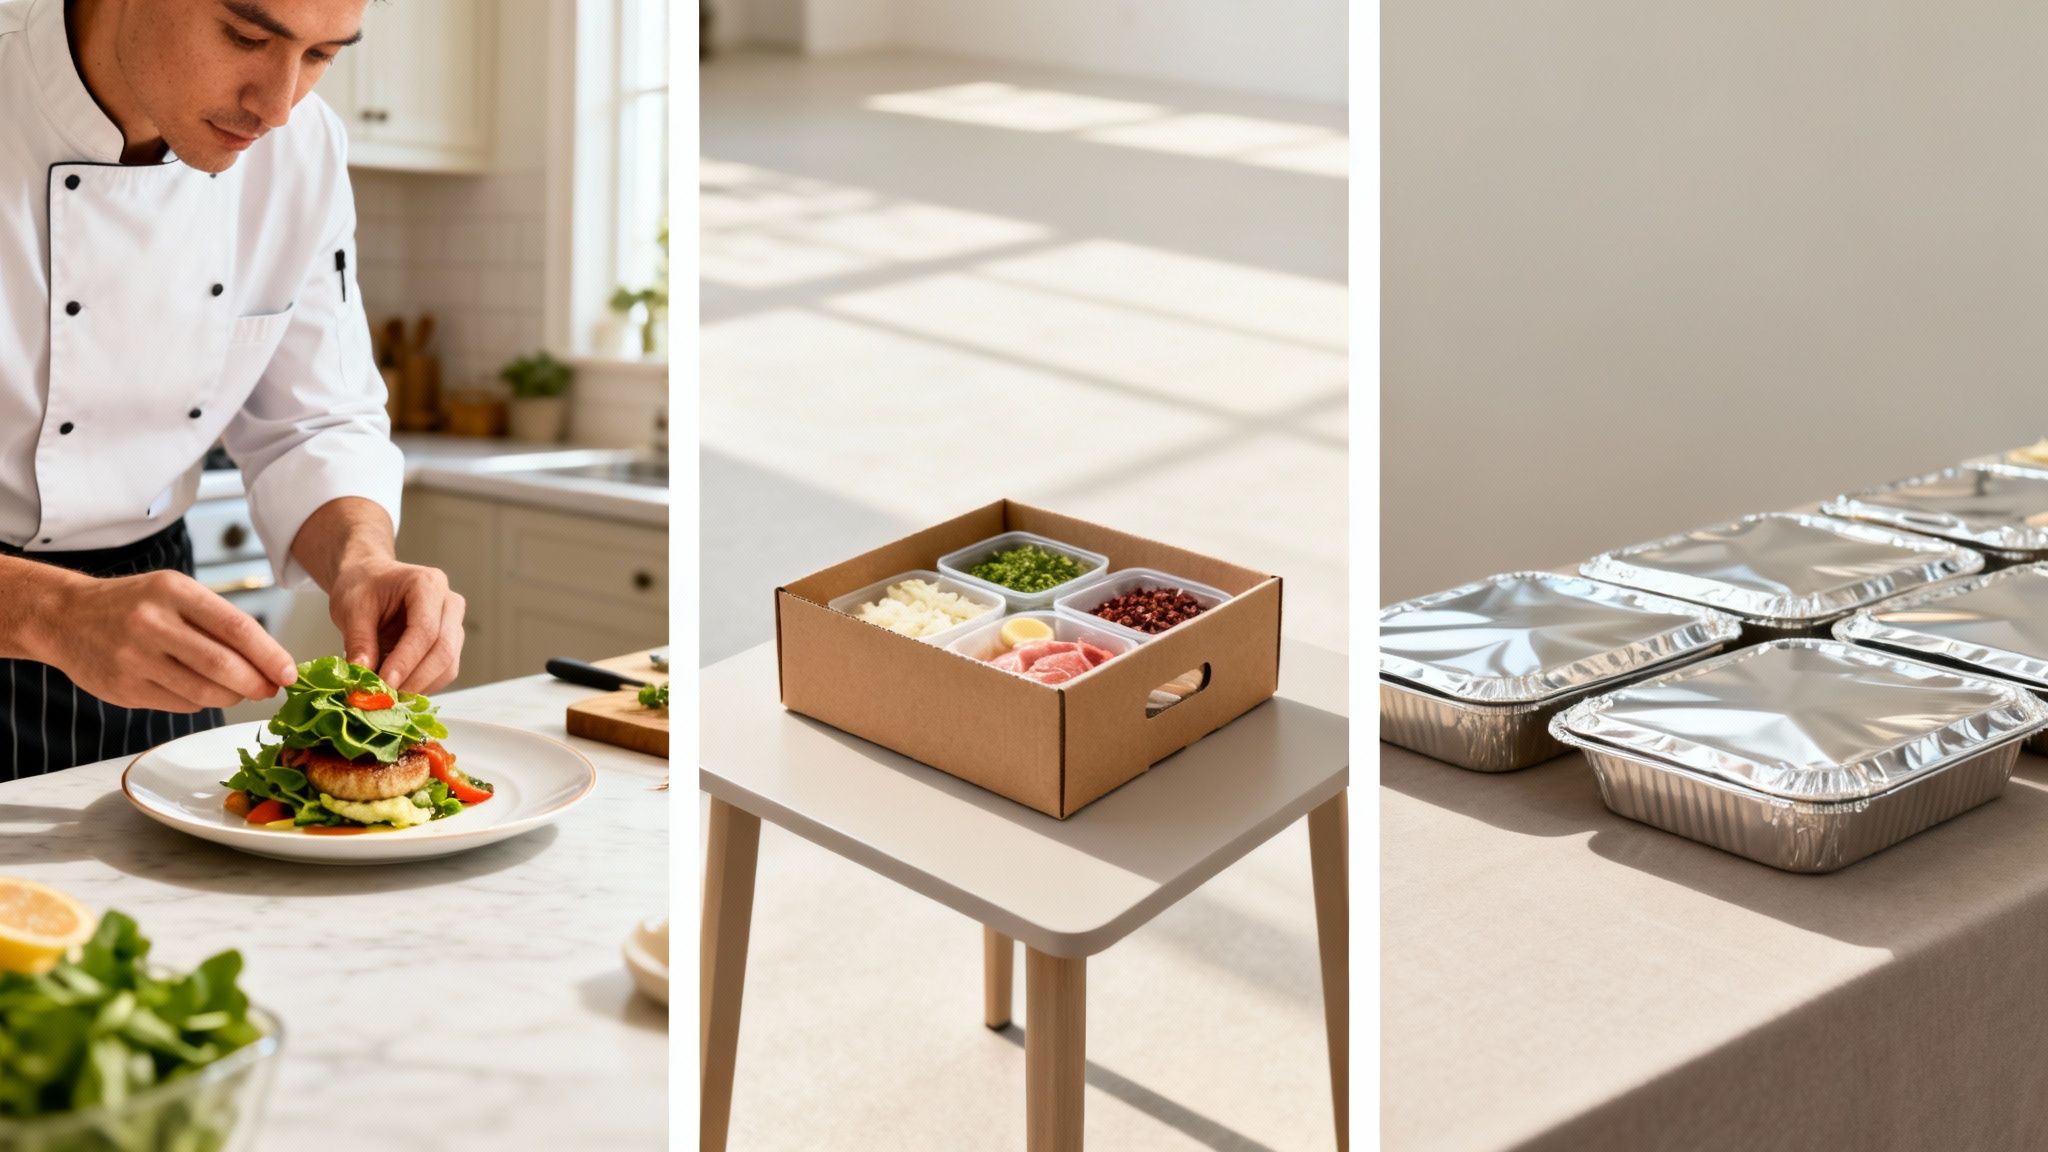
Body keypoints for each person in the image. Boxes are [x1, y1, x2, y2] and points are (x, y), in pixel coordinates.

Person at [0, 0, 466, 778]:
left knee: (178, 900)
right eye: (247, 37)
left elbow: (314, 421)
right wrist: (50, 611)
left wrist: (362, 559)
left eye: (323, 56)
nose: (278, 107)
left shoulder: (303, 151)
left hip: (150, 635)